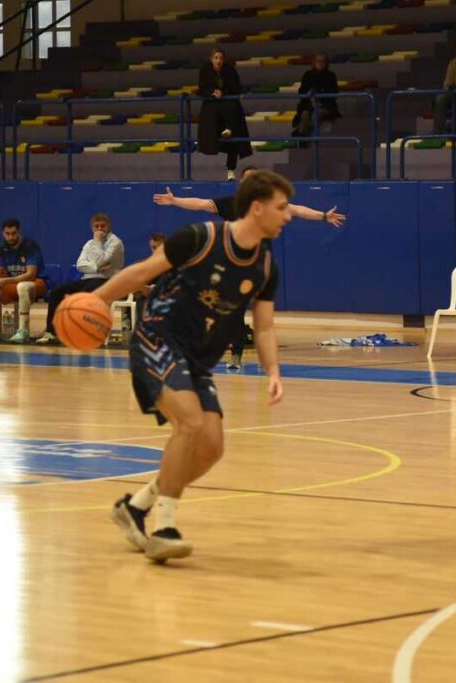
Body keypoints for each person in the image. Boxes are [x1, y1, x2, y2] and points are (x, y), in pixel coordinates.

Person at [104, 169, 292, 563]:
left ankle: (136, 507)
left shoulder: (266, 265)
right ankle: (164, 527)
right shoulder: (200, 237)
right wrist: (95, 300)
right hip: (158, 338)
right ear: (257, 209)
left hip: (198, 358)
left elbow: (264, 326)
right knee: (189, 422)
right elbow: (142, 272)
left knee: (210, 448)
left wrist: (273, 371)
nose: (287, 215)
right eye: (282, 207)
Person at [153, 165, 345, 368]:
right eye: (248, 179)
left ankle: (267, 362)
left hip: (261, 265)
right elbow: (201, 204)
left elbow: (296, 210)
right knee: (234, 311)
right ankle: (235, 353)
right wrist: (175, 201)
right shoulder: (231, 205)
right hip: (236, 267)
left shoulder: (269, 204)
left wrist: (323, 216)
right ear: (241, 183)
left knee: (263, 317)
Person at [36, 213, 125, 345]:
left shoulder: (116, 243)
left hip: (109, 280)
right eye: (97, 226)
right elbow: (80, 264)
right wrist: (96, 268)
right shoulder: (89, 244)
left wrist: (97, 241)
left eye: (103, 226)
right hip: (89, 278)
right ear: (91, 228)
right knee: (57, 292)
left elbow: (100, 260)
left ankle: (86, 332)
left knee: (86, 292)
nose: (100, 229)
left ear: (109, 226)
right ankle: (52, 332)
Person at [197, 47, 253, 181]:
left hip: (230, 110)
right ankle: (227, 129)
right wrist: (213, 93)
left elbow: (236, 88)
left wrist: (224, 94)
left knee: (233, 140)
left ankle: (231, 169)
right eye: (216, 58)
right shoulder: (204, 71)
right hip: (212, 111)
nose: (219, 61)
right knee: (218, 137)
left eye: (221, 58)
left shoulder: (230, 71)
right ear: (211, 59)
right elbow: (202, 89)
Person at [293, 53, 341, 138]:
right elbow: (302, 91)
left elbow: (333, 93)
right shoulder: (308, 75)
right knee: (305, 114)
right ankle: (302, 136)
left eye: (323, 61)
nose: (321, 63)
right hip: (309, 104)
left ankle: (301, 134)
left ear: (327, 63)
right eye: (318, 61)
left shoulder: (331, 76)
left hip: (325, 105)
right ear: (314, 62)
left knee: (318, 114)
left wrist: (320, 101)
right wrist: (310, 98)